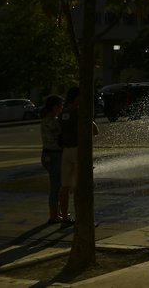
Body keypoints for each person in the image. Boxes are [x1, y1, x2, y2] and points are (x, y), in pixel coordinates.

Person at [57, 86, 98, 224]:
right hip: (79, 151)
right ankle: (82, 217)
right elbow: (95, 131)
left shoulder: (63, 113)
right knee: (81, 186)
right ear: (77, 97)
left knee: (65, 186)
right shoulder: (80, 111)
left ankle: (64, 217)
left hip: (66, 151)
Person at [39, 94, 66, 225]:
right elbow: (63, 134)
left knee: (57, 185)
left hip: (48, 154)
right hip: (54, 154)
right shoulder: (53, 120)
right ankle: (54, 215)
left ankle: (57, 212)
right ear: (55, 107)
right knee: (56, 186)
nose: (62, 108)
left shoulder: (45, 119)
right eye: (61, 106)